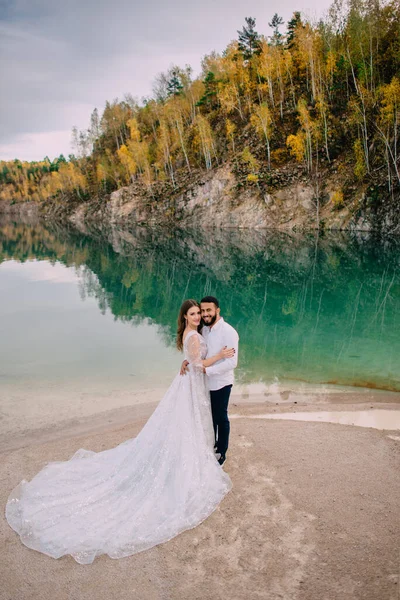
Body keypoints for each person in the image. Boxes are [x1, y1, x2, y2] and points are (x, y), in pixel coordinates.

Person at [5, 300, 233, 565]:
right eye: (192, 314)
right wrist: (218, 356)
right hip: (193, 383)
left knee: (189, 423)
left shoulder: (195, 332)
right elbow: (197, 364)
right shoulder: (193, 334)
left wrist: (190, 361)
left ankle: (193, 453)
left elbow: (191, 360)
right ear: (185, 316)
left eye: (199, 313)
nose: (197, 317)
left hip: (192, 385)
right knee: (190, 422)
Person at [181, 296, 239, 467]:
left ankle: (222, 452)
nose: (204, 315)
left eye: (208, 311)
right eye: (202, 311)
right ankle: (209, 447)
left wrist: (207, 370)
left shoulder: (229, 332)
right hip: (203, 381)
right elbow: (196, 353)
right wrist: (187, 361)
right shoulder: (204, 329)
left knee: (221, 417)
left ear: (217, 310)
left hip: (221, 381)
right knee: (208, 417)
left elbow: (232, 362)